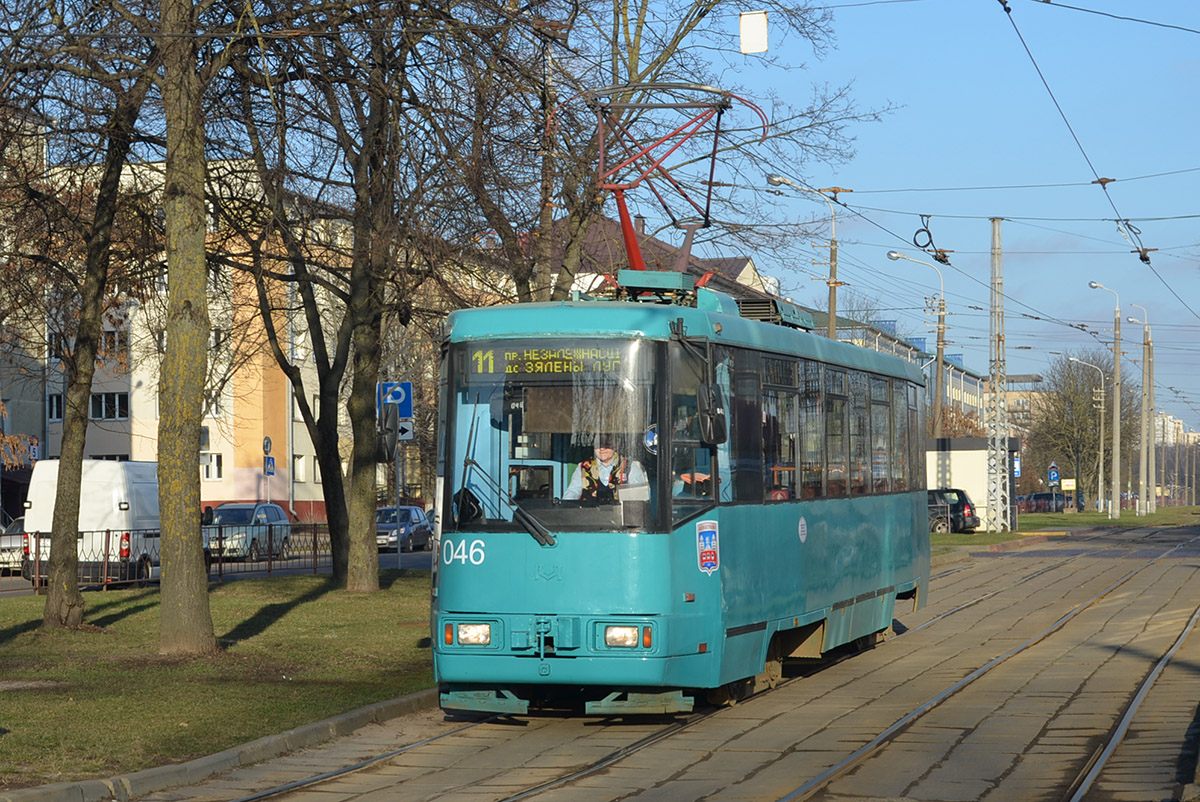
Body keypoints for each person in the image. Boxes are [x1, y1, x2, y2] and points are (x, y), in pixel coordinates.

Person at [562, 436, 647, 501]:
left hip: (620, 517)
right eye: (598, 445)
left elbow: (639, 499)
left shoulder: (630, 467)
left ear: (616, 445)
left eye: (607, 444)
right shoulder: (583, 467)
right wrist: (565, 507)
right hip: (589, 516)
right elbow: (572, 492)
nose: (602, 448)